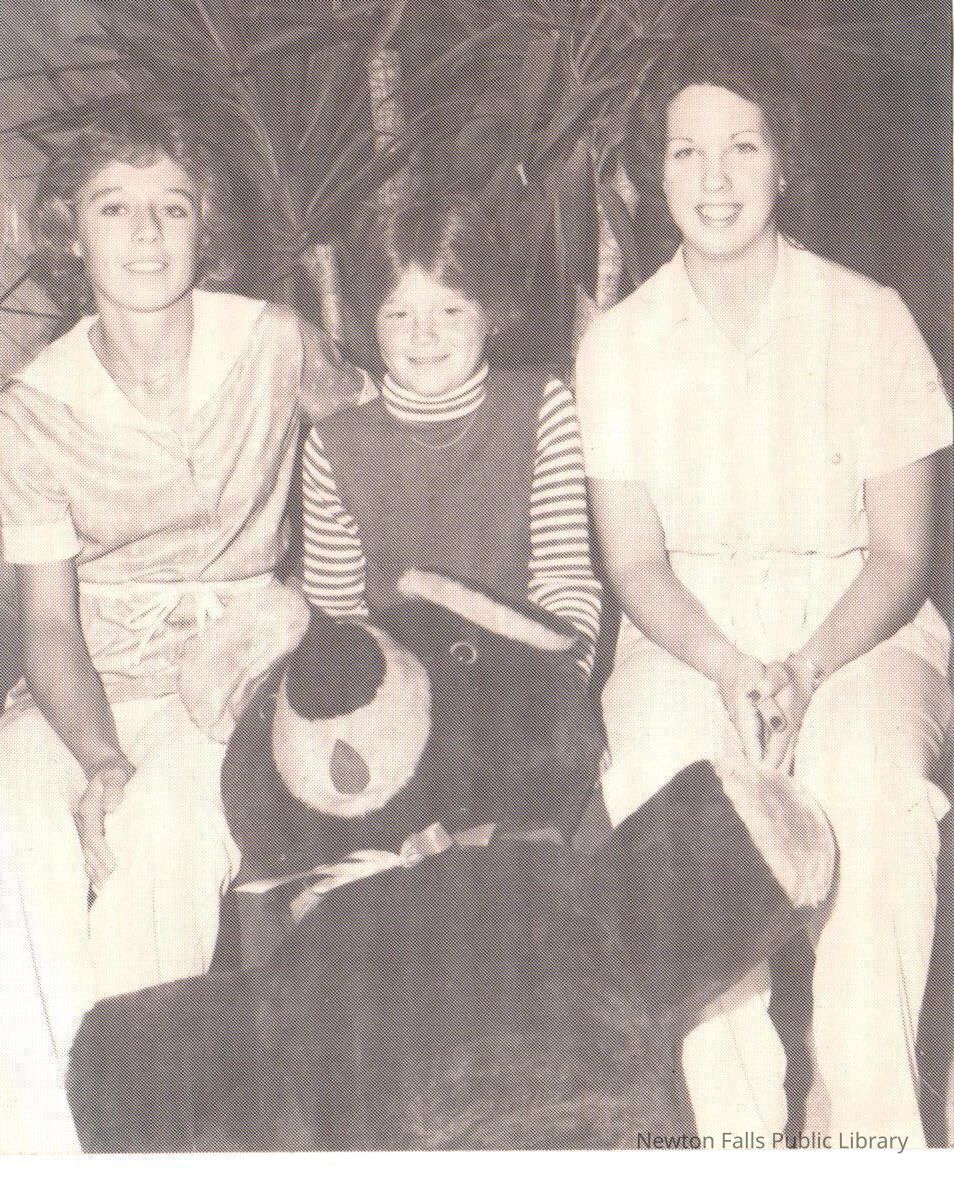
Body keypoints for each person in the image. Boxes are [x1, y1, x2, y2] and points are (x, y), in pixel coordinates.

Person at [575, 33, 953, 1144]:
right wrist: (735, 668)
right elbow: (633, 562)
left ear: (786, 163)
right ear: (654, 175)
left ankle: (869, 1128)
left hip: (858, 623)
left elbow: (901, 555)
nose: (716, 178)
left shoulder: (871, 317)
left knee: (874, 787)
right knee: (669, 784)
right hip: (685, 629)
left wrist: (805, 670)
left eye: (743, 146)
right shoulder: (621, 345)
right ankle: (736, 1138)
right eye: (686, 152)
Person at [0, 103, 368, 1151]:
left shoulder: (274, 341)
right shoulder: (32, 408)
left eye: (173, 207)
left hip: (238, 670)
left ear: (207, 226)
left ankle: (133, 1134)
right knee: (12, 826)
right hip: (88, 679)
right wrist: (99, 756)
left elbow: (379, 445)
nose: (147, 234)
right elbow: (50, 626)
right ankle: (37, 1143)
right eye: (115, 208)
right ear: (70, 233)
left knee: (158, 836)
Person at [300, 196, 602, 674]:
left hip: (520, 676)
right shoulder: (335, 446)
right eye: (398, 315)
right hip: (396, 685)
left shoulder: (543, 408)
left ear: (491, 312)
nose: (423, 335)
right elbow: (336, 618)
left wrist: (561, 689)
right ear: (370, 321)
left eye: (450, 311)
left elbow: (564, 581)